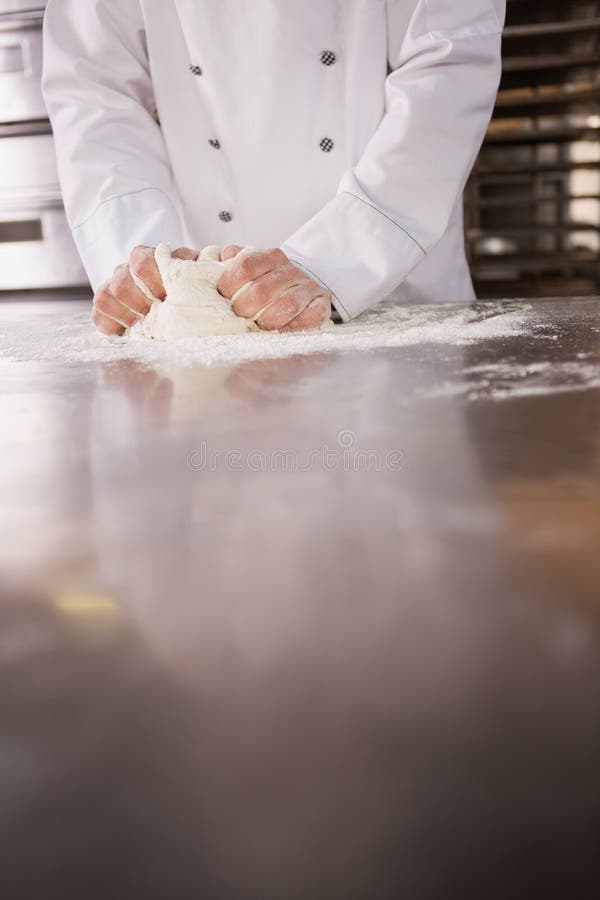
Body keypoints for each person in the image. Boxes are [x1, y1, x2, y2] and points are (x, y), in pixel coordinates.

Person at [42, 1, 505, 335]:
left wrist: (343, 258)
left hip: (390, 282)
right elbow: (93, 87)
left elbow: (449, 61)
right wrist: (145, 262)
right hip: (206, 296)